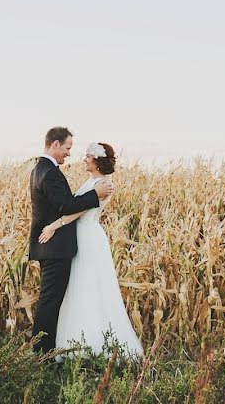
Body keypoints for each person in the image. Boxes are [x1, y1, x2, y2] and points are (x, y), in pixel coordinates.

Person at [38, 141, 144, 358]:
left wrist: (53, 226)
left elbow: (78, 211)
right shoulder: (94, 181)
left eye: (88, 156)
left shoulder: (103, 185)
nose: (84, 159)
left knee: (87, 286)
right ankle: (74, 339)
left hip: (88, 237)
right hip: (83, 236)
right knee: (78, 287)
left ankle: (90, 344)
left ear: (97, 160)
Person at [28, 126, 114, 353]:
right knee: (50, 302)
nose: (70, 153)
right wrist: (95, 195)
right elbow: (66, 206)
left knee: (55, 300)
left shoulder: (41, 169)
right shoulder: (49, 172)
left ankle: (49, 349)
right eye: (67, 148)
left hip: (62, 244)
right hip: (55, 248)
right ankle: (41, 354)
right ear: (55, 145)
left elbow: (68, 207)